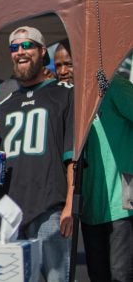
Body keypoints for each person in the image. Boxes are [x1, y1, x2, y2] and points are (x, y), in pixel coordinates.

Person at [0, 26, 74, 282]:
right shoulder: (3, 104)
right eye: (14, 47)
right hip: (9, 211)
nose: (20, 52)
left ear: (42, 51)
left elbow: (73, 156)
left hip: (50, 208)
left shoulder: (64, 94)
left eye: (27, 45)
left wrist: (69, 206)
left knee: (56, 279)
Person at [80, 64, 133, 280]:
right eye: (62, 64)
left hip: (121, 204)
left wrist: (109, 87)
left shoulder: (113, 83)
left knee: (121, 276)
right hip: (90, 206)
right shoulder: (73, 95)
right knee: (98, 276)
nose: (66, 69)